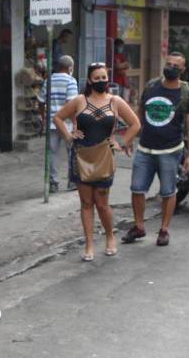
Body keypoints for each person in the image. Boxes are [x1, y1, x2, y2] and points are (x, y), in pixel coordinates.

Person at [52, 62, 140, 260]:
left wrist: (122, 143)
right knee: (85, 203)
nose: (101, 81)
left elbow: (135, 124)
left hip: (104, 157)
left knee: (102, 203)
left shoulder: (115, 101)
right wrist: (68, 136)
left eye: (104, 78)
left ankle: (110, 237)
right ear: (89, 81)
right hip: (80, 155)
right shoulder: (79, 100)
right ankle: (89, 245)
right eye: (97, 78)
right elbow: (58, 117)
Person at [120, 52, 189, 247]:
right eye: (168, 63)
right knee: (137, 189)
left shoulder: (187, 94)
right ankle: (139, 226)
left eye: (175, 65)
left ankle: (164, 230)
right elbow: (139, 114)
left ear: (182, 70)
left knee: (168, 192)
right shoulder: (151, 86)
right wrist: (130, 138)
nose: (170, 67)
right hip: (145, 149)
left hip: (170, 151)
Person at [48, 54, 80, 193]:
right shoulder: (71, 81)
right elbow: (71, 105)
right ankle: (72, 181)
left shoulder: (48, 80)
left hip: (51, 123)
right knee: (72, 152)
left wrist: (44, 119)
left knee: (53, 153)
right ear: (70, 68)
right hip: (66, 124)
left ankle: (53, 183)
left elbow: (42, 101)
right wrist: (75, 123)